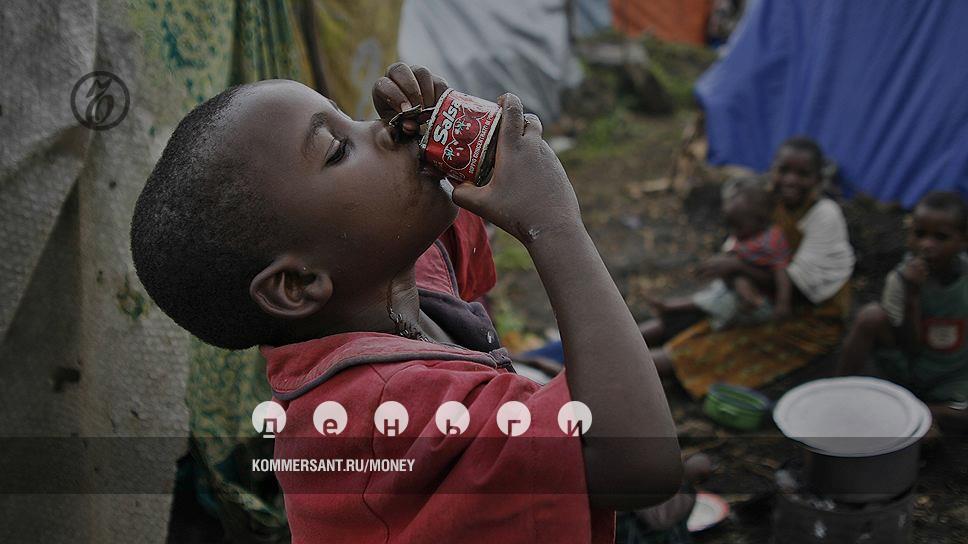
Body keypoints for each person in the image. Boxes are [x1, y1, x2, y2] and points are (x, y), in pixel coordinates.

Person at [130, 63, 681, 543]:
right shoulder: (377, 415)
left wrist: (448, 125)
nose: (385, 129)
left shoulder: (387, 281)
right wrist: (555, 225)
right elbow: (635, 463)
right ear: (297, 284)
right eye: (339, 149)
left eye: (352, 118)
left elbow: (458, 213)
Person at [649, 137, 855, 398]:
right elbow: (735, 247)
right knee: (691, 316)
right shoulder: (765, 200)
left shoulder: (823, 215)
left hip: (807, 317)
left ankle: (633, 368)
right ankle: (619, 348)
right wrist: (738, 276)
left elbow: (797, 288)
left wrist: (737, 268)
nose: (791, 180)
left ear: (818, 179)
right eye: (784, 170)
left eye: (803, 174)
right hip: (755, 297)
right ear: (773, 170)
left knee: (709, 348)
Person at [838, 191, 968, 431]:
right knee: (870, 315)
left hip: (954, 374)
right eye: (919, 234)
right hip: (913, 364)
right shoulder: (900, 279)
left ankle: (916, 411)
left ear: (963, 241)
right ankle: (839, 393)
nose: (927, 245)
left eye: (941, 237)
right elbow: (910, 345)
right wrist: (912, 295)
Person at [642, 183, 793, 339]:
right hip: (733, 290)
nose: (735, 232)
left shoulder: (772, 239)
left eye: (739, 227)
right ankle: (669, 306)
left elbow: (781, 272)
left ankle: (672, 307)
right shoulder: (742, 238)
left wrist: (783, 303)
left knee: (713, 300)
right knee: (710, 294)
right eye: (732, 227)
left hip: (761, 302)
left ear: (760, 221)